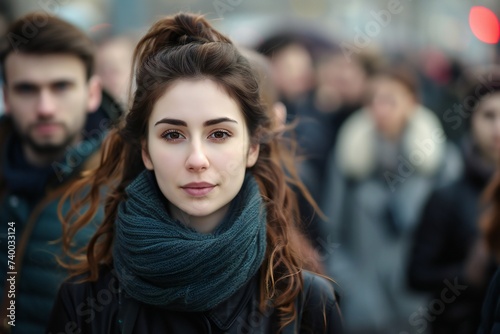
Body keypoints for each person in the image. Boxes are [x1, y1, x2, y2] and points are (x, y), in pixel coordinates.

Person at [45, 13, 343, 333]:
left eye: (219, 134)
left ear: (252, 147)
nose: (197, 159)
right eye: (173, 135)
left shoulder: (306, 301)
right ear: (146, 150)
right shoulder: (84, 302)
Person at [0, 13, 122, 333]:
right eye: (27, 89)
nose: (45, 107)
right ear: (6, 98)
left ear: (93, 93)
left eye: (61, 86)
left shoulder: (125, 185)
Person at [320, 64, 462, 333]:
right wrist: (352, 289)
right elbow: (331, 233)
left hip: (424, 304)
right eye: (372, 99)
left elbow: (453, 240)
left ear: (413, 102)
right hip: (364, 306)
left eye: (390, 99)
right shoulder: (349, 156)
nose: (379, 107)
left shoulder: (440, 161)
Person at [408, 67, 500, 334]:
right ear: (471, 121)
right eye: (488, 116)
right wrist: (465, 274)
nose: (497, 128)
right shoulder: (446, 196)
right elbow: (415, 275)